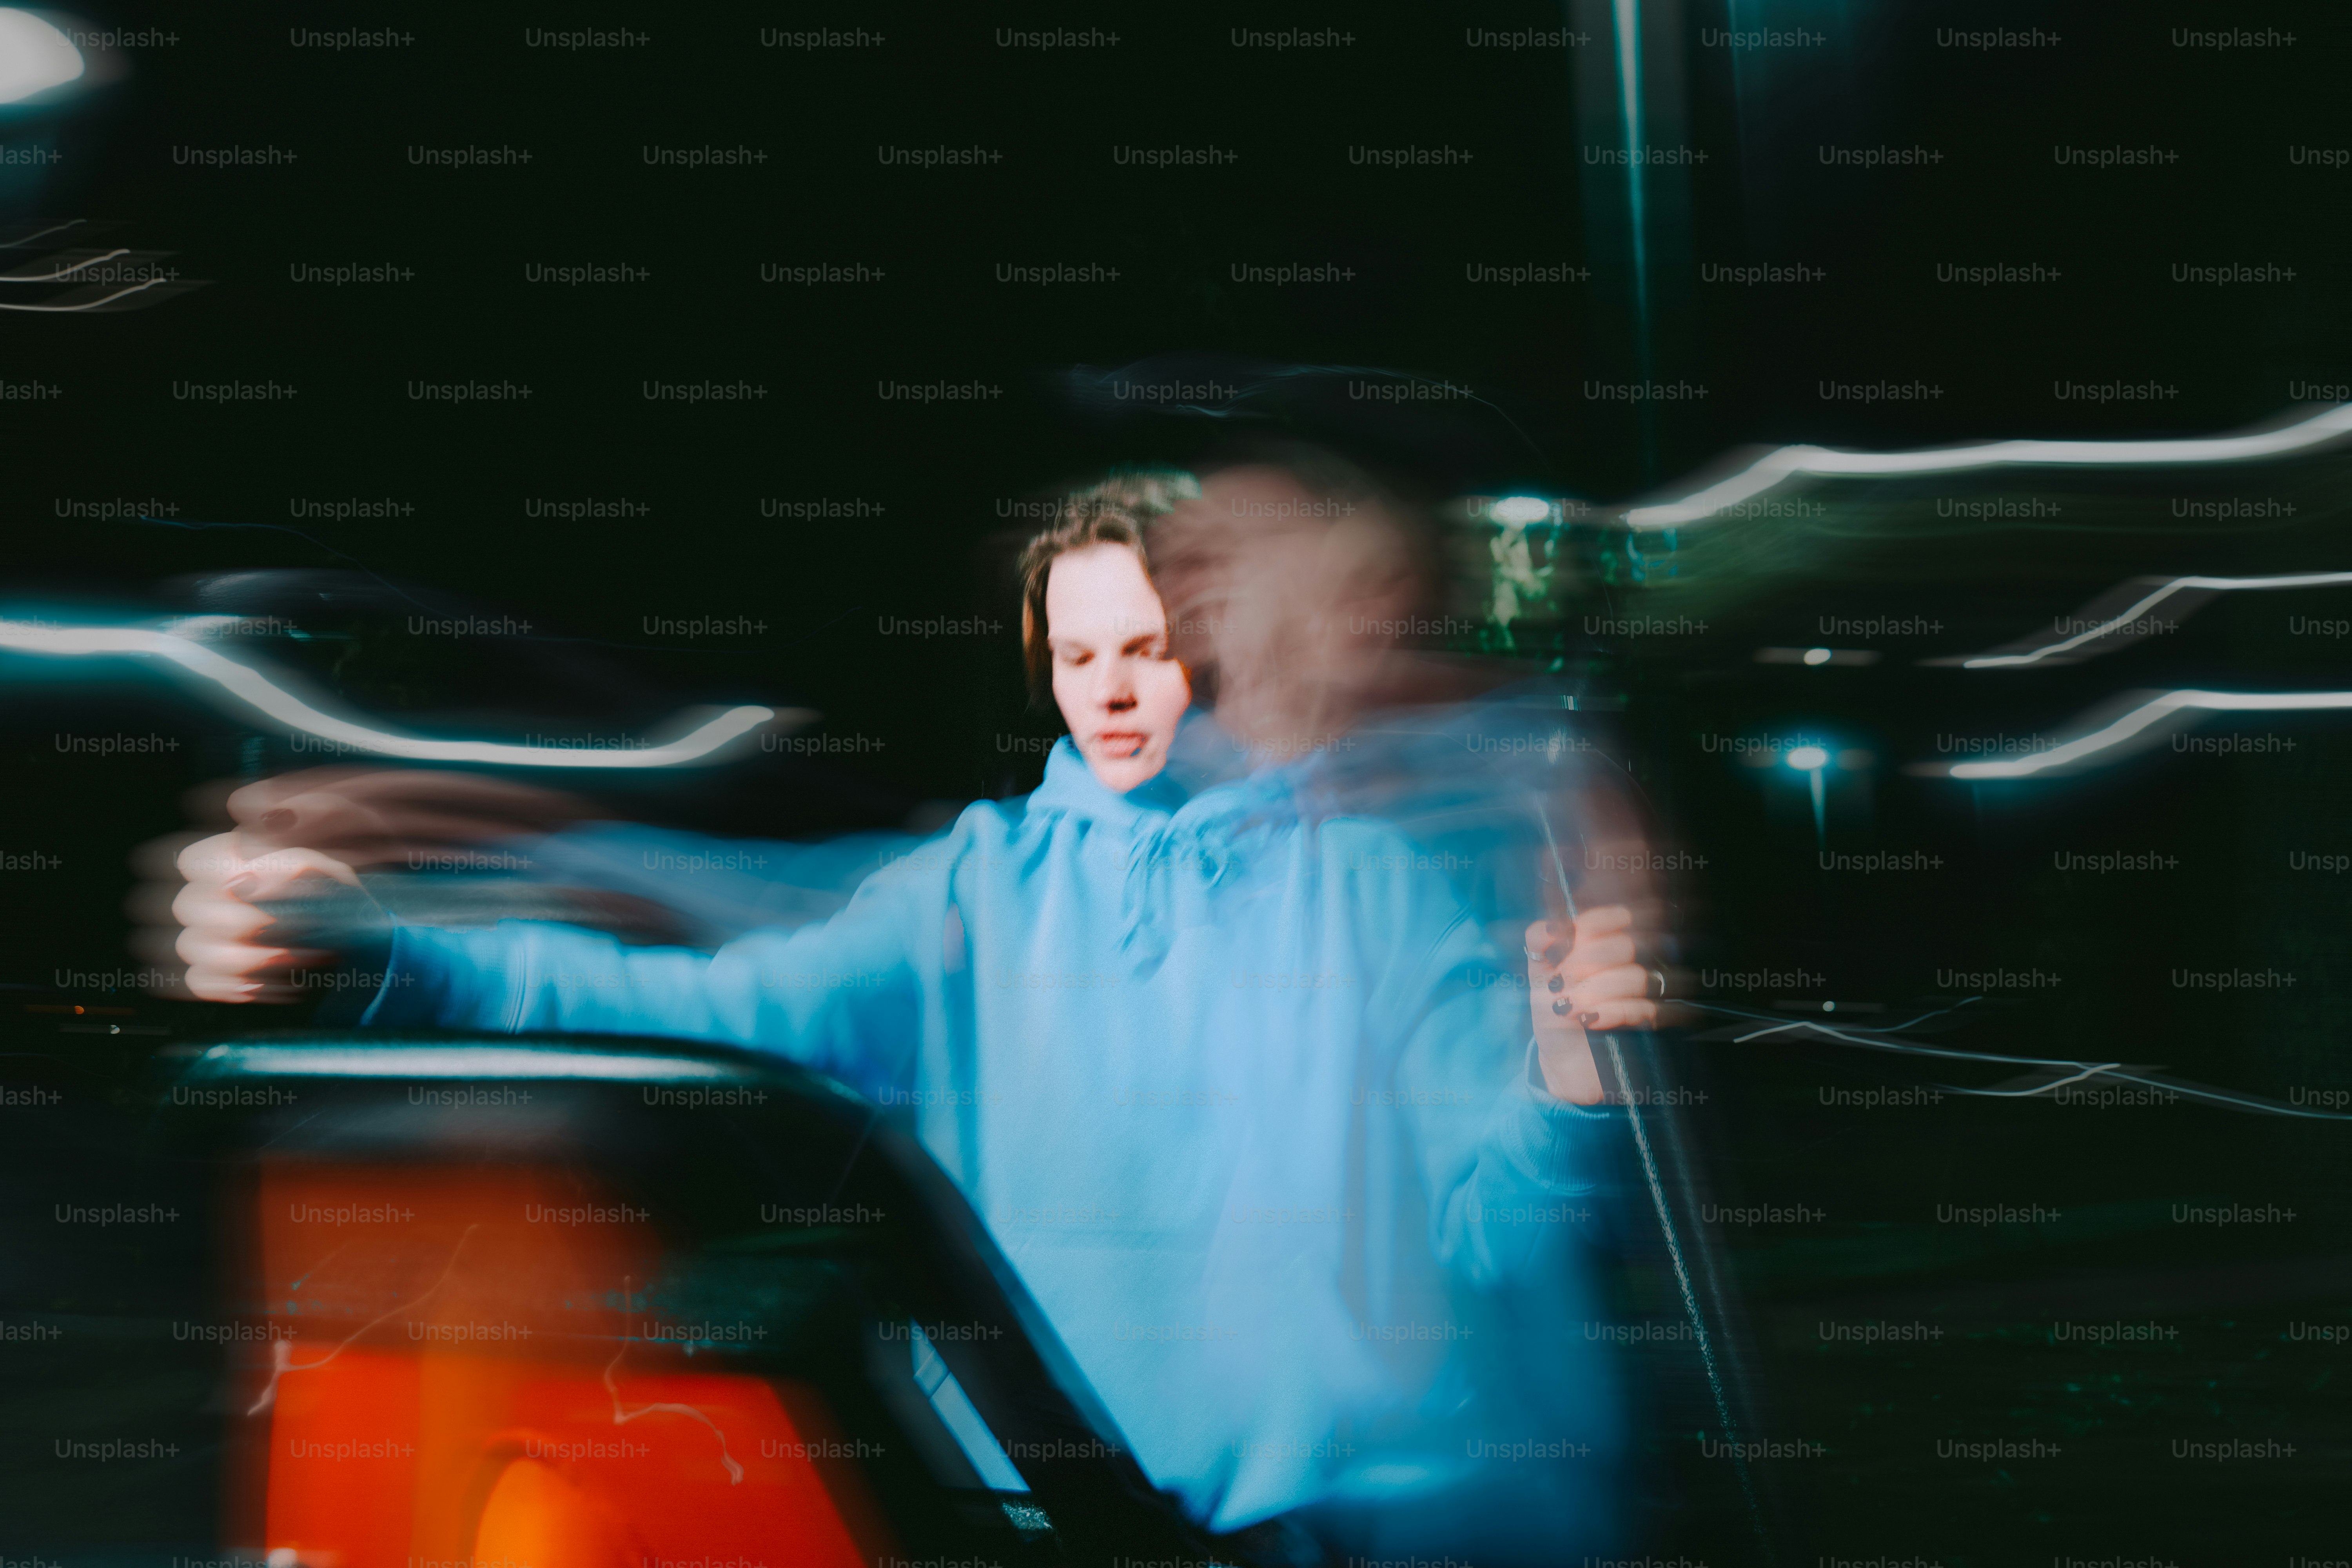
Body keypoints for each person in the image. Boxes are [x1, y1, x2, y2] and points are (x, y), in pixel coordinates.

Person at [172, 478, 1662, 1549]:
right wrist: (373, 955)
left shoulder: (1374, 883)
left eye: (1141, 646)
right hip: (1052, 1518)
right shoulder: (975, 893)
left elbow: (1497, 1224)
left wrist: (1570, 1087)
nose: (1112, 690)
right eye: (1077, 657)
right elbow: (691, 1003)